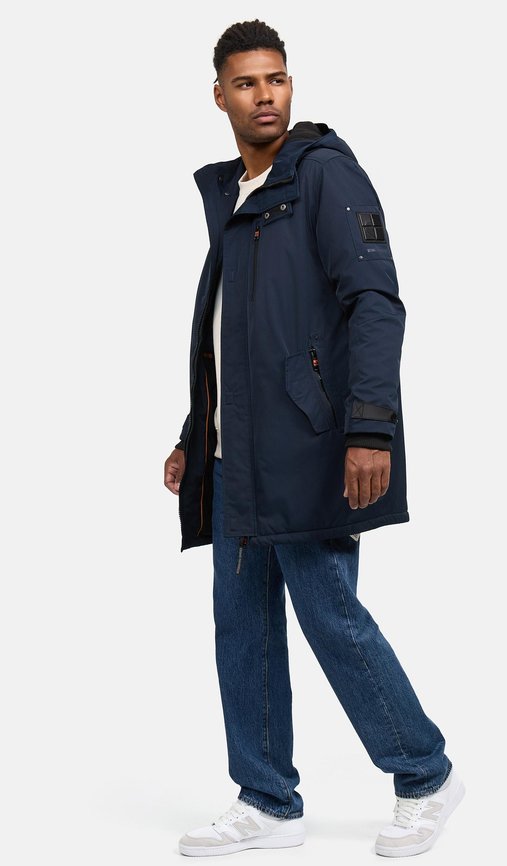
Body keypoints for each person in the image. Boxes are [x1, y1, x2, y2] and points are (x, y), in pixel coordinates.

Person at [164, 19, 464, 859]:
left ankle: (425, 774)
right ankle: (267, 798)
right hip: (235, 460)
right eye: (247, 83)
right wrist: (195, 432)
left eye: (277, 79)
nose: (265, 96)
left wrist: (370, 428)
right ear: (219, 96)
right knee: (243, 628)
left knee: (332, 616)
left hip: (307, 447)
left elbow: (376, 303)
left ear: (290, 85)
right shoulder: (237, 195)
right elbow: (229, 334)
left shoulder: (325, 174)